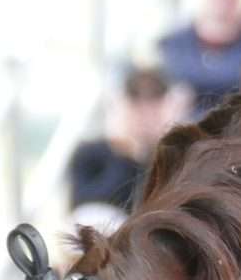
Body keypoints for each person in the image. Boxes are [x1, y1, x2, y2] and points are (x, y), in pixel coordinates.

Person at [66, 66, 188, 224]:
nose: (145, 111)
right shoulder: (90, 153)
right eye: (135, 101)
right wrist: (126, 152)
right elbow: (90, 208)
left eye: (155, 101)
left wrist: (170, 140)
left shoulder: (184, 155)